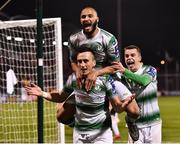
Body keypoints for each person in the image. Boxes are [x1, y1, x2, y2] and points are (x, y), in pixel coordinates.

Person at [57, 6, 140, 141]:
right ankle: (76, 124)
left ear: (97, 19)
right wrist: (78, 71)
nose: (86, 19)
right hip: (85, 82)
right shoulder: (74, 39)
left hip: (110, 80)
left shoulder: (108, 39)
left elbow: (116, 66)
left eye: (90, 16)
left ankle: (130, 122)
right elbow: (73, 61)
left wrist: (96, 73)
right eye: (83, 16)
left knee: (135, 112)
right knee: (61, 116)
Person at [24, 47, 135, 143]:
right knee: (61, 114)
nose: (82, 65)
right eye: (79, 61)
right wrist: (42, 93)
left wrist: (124, 104)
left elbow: (117, 107)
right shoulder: (73, 80)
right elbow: (60, 96)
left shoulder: (105, 80)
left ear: (94, 63)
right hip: (80, 135)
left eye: (85, 61)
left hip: (101, 134)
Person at [112, 45, 162, 143]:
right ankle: (129, 120)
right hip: (134, 125)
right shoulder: (121, 76)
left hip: (153, 123)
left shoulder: (150, 70)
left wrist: (124, 71)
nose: (129, 57)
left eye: (132, 55)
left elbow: (143, 81)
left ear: (139, 58)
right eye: (126, 56)